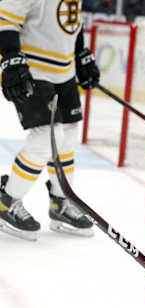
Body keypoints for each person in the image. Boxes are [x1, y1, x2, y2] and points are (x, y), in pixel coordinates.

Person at [0, 0, 100, 241]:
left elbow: (72, 20)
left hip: (64, 71)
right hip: (31, 67)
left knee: (68, 136)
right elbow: (6, 17)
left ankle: (61, 203)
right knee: (46, 136)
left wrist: (81, 54)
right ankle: (6, 200)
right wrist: (11, 57)